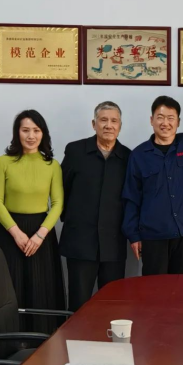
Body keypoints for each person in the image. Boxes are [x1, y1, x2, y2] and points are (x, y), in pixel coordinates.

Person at [0, 110, 65, 333]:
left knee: (41, 286)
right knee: (9, 287)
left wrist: (40, 235)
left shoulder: (52, 165)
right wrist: (16, 232)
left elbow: (58, 203)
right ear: (17, 133)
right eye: (25, 130)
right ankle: (8, 341)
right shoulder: (3, 162)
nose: (31, 136)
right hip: (9, 232)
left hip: (41, 233)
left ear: (43, 134)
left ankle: (42, 339)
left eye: (36, 130)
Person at [60, 101, 131, 311]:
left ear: (120, 126)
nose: (109, 125)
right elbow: (61, 190)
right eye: (103, 120)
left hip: (113, 244)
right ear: (94, 124)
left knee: (112, 305)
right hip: (80, 242)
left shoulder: (128, 157)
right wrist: (72, 219)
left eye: (114, 121)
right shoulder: (76, 151)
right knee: (78, 304)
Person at [122, 96, 183, 275]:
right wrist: (133, 235)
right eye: (160, 117)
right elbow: (131, 197)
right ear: (152, 120)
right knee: (154, 288)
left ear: (178, 122)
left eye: (171, 118)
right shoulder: (138, 155)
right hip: (153, 235)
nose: (165, 123)